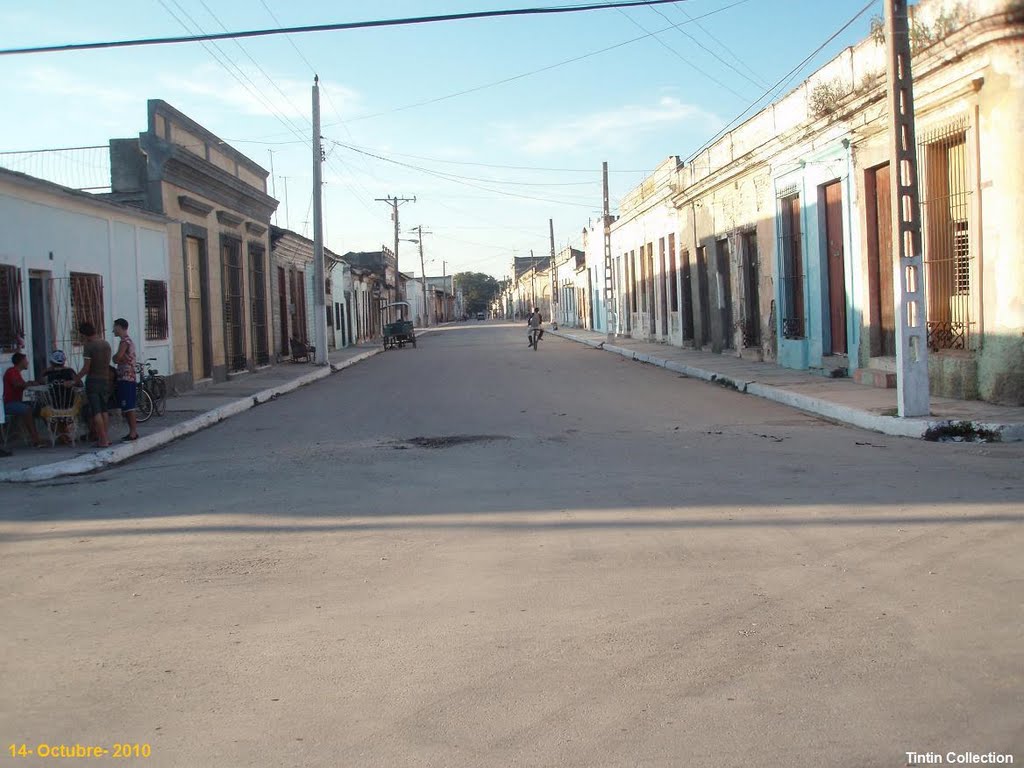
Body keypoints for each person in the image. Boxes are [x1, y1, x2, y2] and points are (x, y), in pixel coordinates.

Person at [70, 321, 112, 448]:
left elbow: (86, 368)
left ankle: (102, 440)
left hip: (93, 380)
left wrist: (75, 380)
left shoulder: (89, 346)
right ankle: (106, 437)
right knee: (104, 410)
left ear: (84, 334)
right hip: (105, 379)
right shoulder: (106, 344)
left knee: (96, 411)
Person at [3, 352, 45, 447]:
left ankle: (53, 434)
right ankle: (35, 438)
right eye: (25, 360)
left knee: (41, 406)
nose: (27, 362)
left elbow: (21, 384)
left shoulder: (17, 373)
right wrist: (29, 384)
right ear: (20, 362)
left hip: (17, 402)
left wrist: (31, 383)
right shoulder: (11, 371)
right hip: (9, 404)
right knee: (27, 409)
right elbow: (16, 384)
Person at [112, 318, 138, 441]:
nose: (113, 330)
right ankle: (132, 431)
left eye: (115, 327)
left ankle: (133, 432)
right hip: (129, 376)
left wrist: (115, 357)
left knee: (128, 407)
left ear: (120, 327)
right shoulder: (129, 341)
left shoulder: (124, 342)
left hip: (126, 377)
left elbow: (117, 358)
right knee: (128, 406)